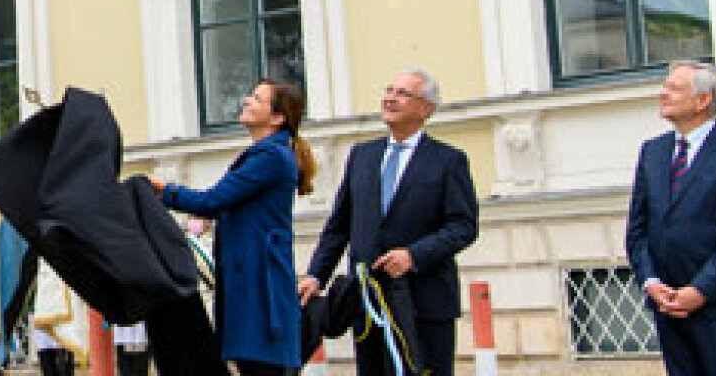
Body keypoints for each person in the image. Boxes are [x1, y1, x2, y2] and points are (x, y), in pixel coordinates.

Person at [301, 69, 477, 375]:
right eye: (388, 90)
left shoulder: (448, 160)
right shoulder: (362, 156)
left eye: (402, 93)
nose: (390, 98)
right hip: (368, 303)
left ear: (425, 109)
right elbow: (339, 226)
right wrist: (316, 275)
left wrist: (413, 255)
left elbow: (463, 226)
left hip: (424, 303)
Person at [150, 80, 316, 376]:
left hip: (259, 291)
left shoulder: (270, 157)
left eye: (257, 99)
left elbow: (213, 200)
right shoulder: (267, 154)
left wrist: (164, 191)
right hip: (251, 284)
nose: (246, 101)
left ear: (278, 117)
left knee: (261, 368)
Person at [625, 61, 716, 375]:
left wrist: (700, 290)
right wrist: (651, 282)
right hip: (668, 306)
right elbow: (638, 230)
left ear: (703, 101)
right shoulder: (653, 152)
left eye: (674, 88)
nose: (663, 93)